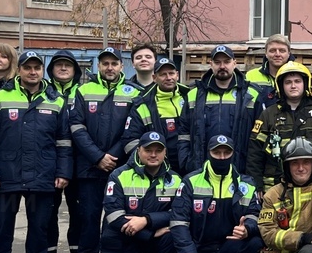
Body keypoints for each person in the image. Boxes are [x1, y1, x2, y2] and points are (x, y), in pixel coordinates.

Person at [0, 50, 72, 253]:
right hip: (6, 173)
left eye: (36, 68)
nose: (32, 72)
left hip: (43, 173)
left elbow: (63, 141)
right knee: (1, 224)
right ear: (19, 70)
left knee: (40, 225)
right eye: (27, 67)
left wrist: (63, 172)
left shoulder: (56, 100)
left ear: (42, 71)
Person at [67, 48, 140, 253]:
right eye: (105, 63)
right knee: (88, 217)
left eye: (114, 63)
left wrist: (113, 156)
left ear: (121, 66)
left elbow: (132, 129)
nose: (110, 67)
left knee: (119, 217)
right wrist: (97, 157)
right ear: (98, 66)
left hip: (121, 168)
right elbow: (76, 126)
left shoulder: (133, 92)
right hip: (89, 167)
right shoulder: (83, 90)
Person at [168, 135, 263, 253]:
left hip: (230, 245)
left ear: (233, 154)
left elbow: (255, 214)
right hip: (201, 249)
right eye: (217, 152)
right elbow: (178, 223)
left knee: (255, 240)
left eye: (226, 152)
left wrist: (247, 228)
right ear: (208, 153)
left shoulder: (246, 183)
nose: (221, 157)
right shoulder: (190, 181)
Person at [99, 131, 184, 253]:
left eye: (158, 150)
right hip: (122, 242)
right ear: (138, 150)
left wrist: (146, 220)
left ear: (165, 152)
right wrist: (148, 233)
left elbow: (179, 213)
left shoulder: (175, 180)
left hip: (154, 238)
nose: (153, 155)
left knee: (172, 234)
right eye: (148, 150)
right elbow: (114, 216)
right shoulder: (119, 175)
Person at [247, 61, 312, 192]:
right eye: (288, 82)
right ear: (280, 86)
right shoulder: (268, 115)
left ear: (305, 84)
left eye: (297, 81)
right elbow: (255, 153)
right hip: (274, 187)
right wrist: (257, 185)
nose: (293, 86)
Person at [189, 45, 261, 183]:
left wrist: (252, 172)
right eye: (217, 62)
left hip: (241, 170)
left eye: (227, 62)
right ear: (210, 64)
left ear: (235, 63)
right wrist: (188, 162)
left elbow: (258, 139)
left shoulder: (251, 94)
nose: (222, 66)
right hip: (202, 171)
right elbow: (184, 132)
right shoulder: (194, 93)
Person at [45, 49, 84, 253]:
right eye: (58, 65)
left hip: (79, 163)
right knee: (47, 215)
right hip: (50, 163)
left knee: (78, 215)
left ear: (75, 70)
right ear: (51, 70)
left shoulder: (83, 92)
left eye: (67, 65)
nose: (62, 68)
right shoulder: (43, 92)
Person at [125, 56, 192, 174]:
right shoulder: (142, 103)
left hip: (189, 165)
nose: (168, 78)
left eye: (171, 73)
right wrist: (151, 162)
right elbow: (130, 141)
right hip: (157, 170)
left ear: (177, 75)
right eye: (163, 74)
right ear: (154, 78)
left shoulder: (191, 97)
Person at [246, 34, 293, 112]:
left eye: (282, 51)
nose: (277, 54)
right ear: (266, 53)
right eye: (272, 50)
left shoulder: (298, 76)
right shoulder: (251, 76)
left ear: (289, 53)